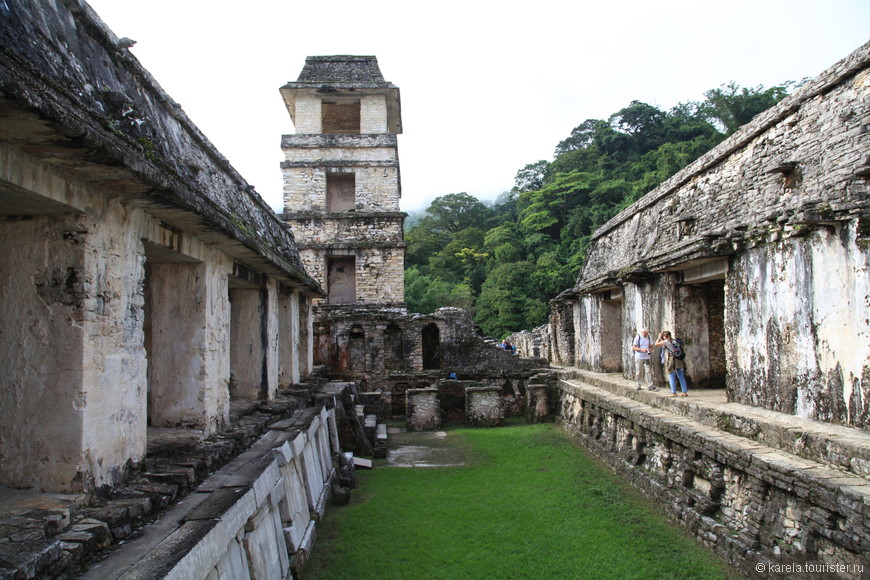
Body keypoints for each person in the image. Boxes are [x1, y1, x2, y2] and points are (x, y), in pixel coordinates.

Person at [655, 330, 688, 397]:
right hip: (679, 359)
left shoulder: (666, 341)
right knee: (681, 375)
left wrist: (658, 337)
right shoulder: (674, 341)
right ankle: (684, 392)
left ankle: (673, 392)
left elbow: (656, 344)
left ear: (664, 336)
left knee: (671, 375)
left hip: (672, 360)